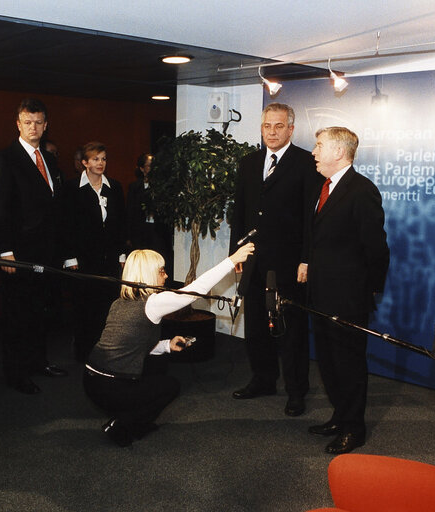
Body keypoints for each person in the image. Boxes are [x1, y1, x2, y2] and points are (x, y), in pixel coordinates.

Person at [84, 242, 255, 446]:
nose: (166, 276)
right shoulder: (152, 302)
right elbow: (195, 290)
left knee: (155, 374)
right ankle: (121, 424)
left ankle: (133, 422)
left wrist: (166, 345)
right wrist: (232, 260)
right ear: (147, 274)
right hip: (111, 388)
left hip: (91, 381)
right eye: (161, 270)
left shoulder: (119, 302)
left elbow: (132, 345)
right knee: (170, 386)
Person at [229, 103, 320, 417]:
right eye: (267, 125)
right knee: (254, 325)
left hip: (289, 264)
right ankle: (263, 379)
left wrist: (306, 259)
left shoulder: (307, 163)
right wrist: (234, 255)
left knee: (291, 330)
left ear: (291, 129)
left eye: (279, 126)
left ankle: (296, 391)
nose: (272, 132)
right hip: (253, 260)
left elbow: (311, 218)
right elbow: (238, 213)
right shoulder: (249, 162)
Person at [304, 126, 389, 455]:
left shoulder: (361, 190)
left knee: (349, 365)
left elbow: (377, 250)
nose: (313, 152)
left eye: (319, 146)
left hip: (348, 298)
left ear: (339, 152)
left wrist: (364, 294)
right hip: (321, 295)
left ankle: (354, 429)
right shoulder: (322, 187)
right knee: (328, 362)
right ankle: (339, 417)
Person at [0, 98, 67, 395]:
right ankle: (16, 372)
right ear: (18, 124)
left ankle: (38, 362)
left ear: (45, 125)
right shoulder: (4, 159)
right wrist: (5, 250)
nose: (33, 127)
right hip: (18, 254)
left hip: (45, 252)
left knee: (40, 311)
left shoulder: (49, 159)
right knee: (17, 315)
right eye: (27, 122)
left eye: (38, 122)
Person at [63, 142, 127, 361]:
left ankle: (106, 350)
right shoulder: (71, 188)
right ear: (84, 163)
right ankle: (83, 352)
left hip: (110, 257)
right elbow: (66, 225)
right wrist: (70, 257)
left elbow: (120, 224)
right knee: (84, 306)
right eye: (95, 159)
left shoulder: (115, 187)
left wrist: (122, 254)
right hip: (83, 258)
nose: (100, 163)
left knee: (109, 305)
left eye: (104, 159)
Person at [126, 153, 172, 277]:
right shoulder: (134, 187)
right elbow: (131, 211)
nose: (153, 169)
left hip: (158, 232)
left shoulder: (163, 187)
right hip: (140, 232)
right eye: (150, 166)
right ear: (142, 168)